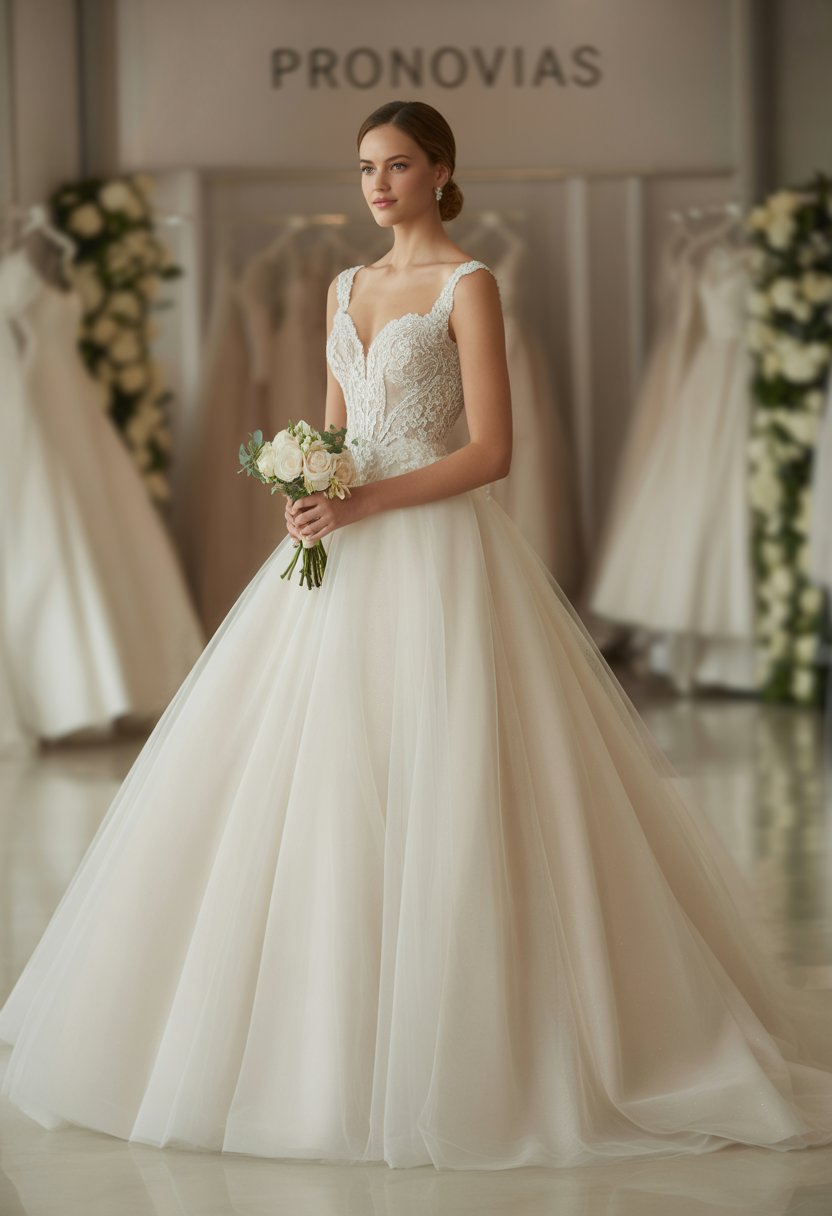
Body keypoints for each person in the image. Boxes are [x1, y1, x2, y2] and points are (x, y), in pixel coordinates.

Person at [2, 99, 832, 1173]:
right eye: (364, 168)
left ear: (443, 173)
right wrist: (311, 493)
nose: (378, 184)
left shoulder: (466, 284)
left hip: (440, 557)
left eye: (398, 165)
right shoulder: (344, 287)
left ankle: (482, 1038)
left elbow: (492, 450)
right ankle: (314, 1036)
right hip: (341, 557)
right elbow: (336, 434)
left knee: (454, 778)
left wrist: (362, 503)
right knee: (315, 782)